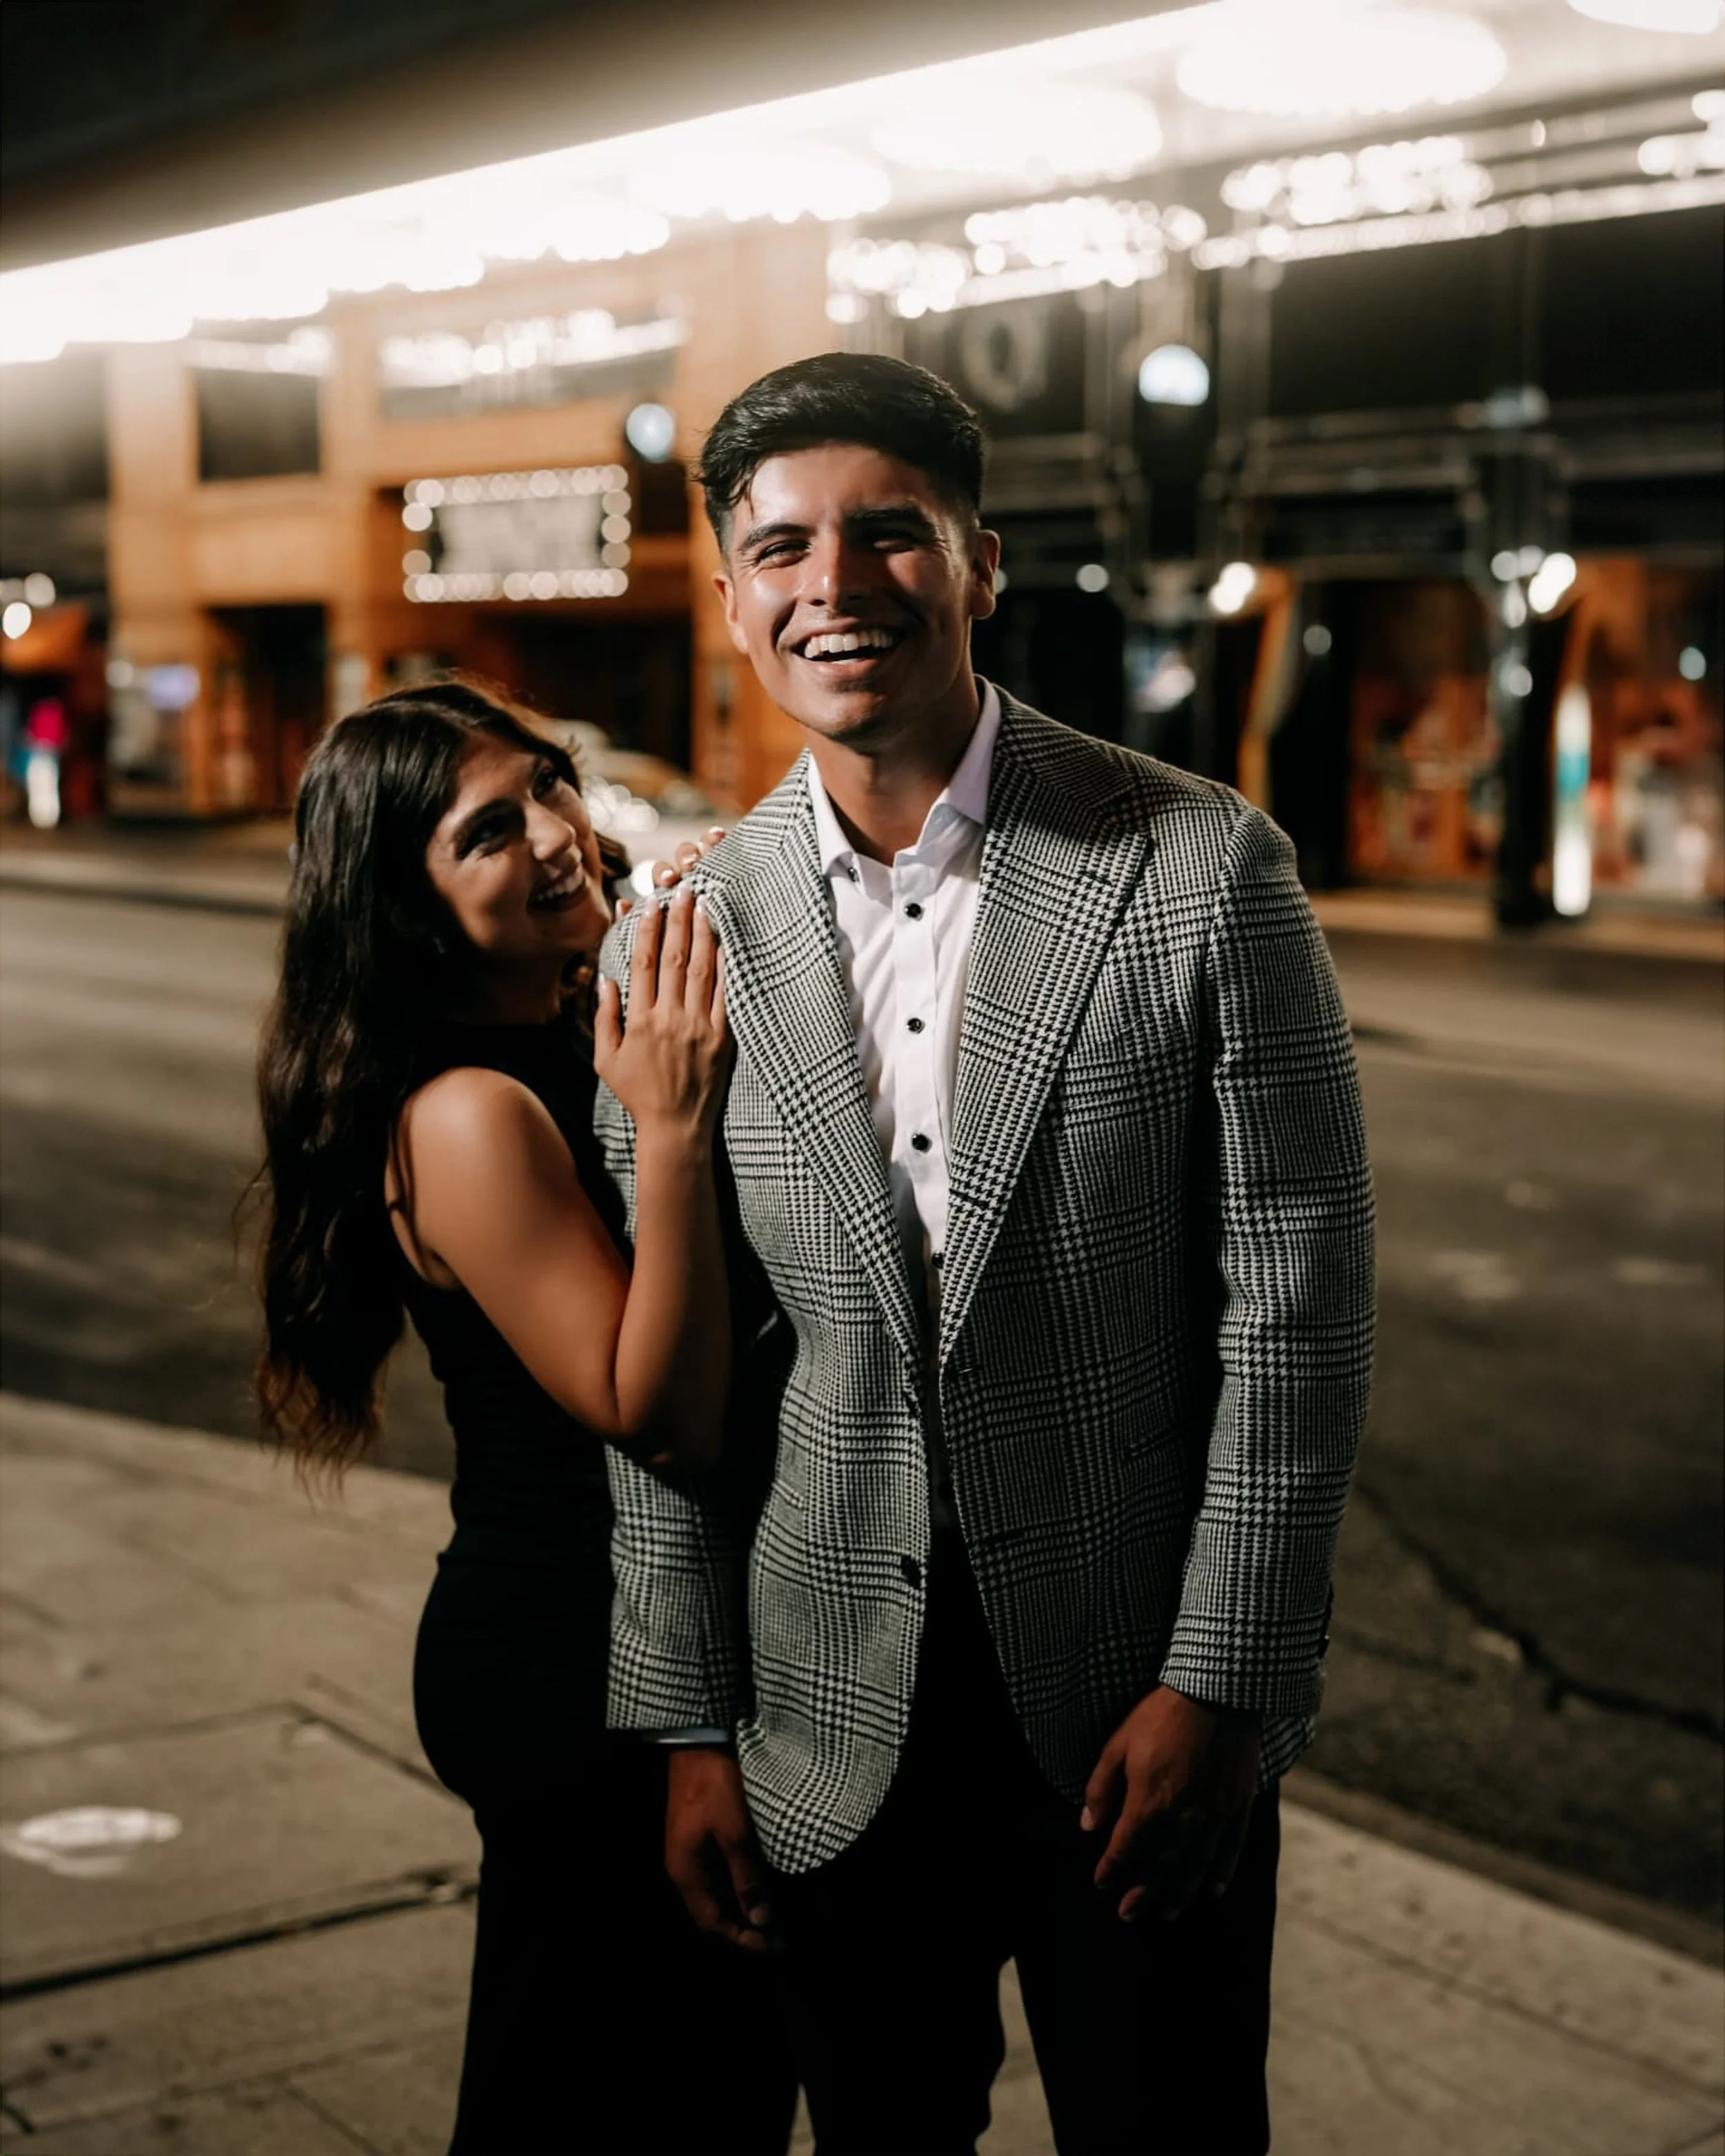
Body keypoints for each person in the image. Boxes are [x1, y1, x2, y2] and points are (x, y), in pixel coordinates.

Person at [598, 355, 1375, 2155]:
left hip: (1132, 1711)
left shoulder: (1194, 866)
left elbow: (1296, 1314)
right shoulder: (684, 931)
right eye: (779, 544)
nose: (833, 582)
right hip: (822, 1717)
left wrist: (1226, 1675)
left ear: (977, 561)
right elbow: (672, 1379)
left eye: (889, 532)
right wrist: (686, 1720)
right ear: (728, 592)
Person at [253, 677, 796, 2156]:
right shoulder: (464, 1114)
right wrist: (673, 1122)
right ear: (409, 905)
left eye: (548, 785)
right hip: (567, 1655)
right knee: (616, 2093)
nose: (559, 832)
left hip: (615, 1626)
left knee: (641, 2077)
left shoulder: (570, 1024)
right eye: (490, 831)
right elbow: (657, 1408)